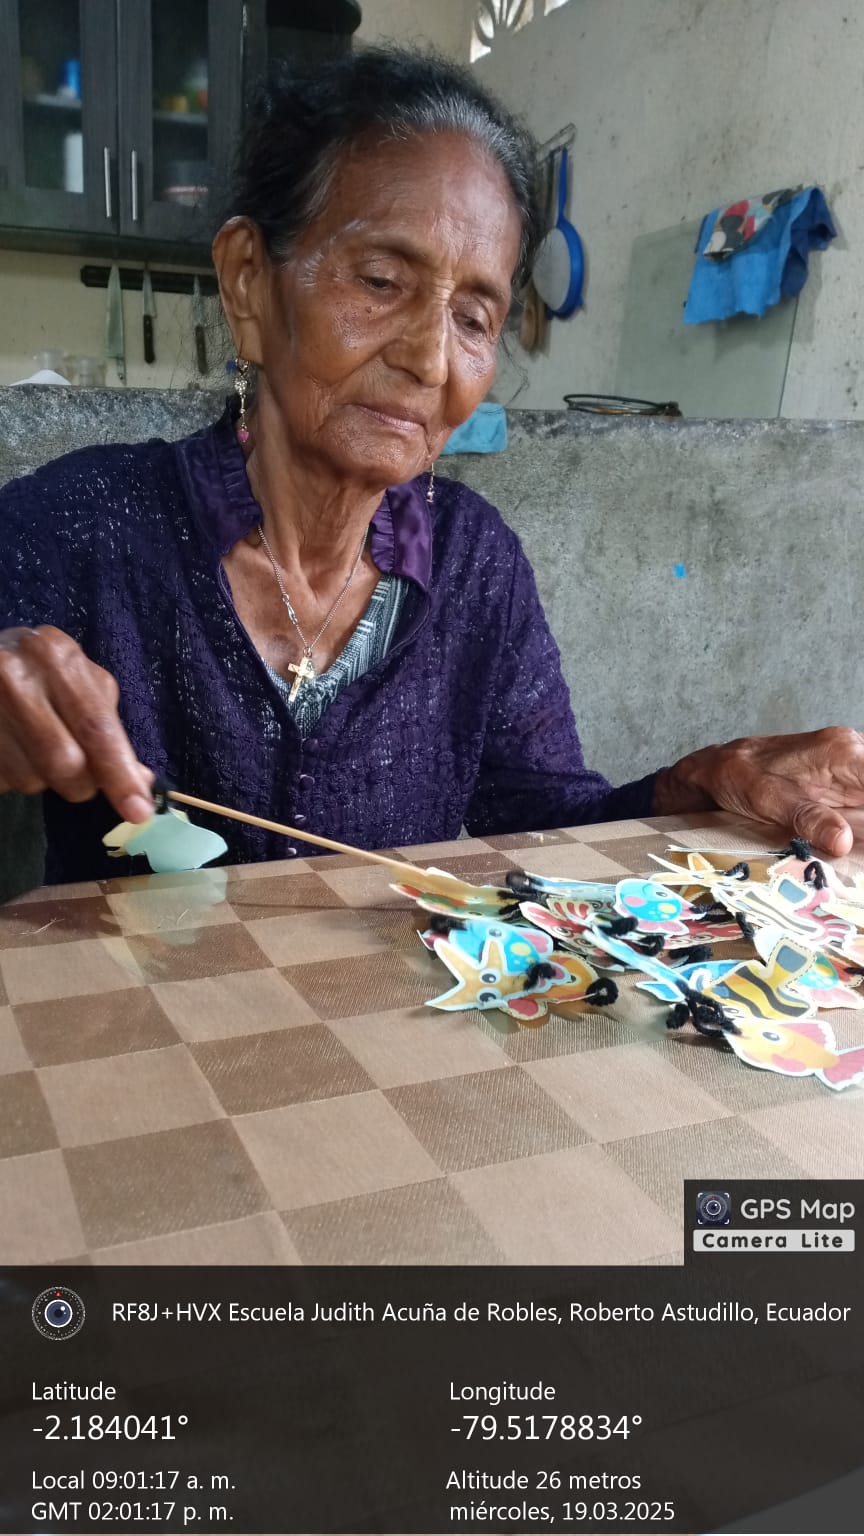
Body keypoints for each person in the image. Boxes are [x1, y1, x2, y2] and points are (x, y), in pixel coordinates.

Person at [1, 46, 863, 888]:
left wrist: (696, 783)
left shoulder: (473, 562)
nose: (429, 358)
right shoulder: (78, 525)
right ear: (250, 284)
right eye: (381, 281)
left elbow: (544, 826)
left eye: (475, 318)